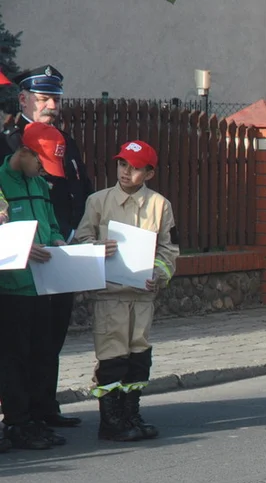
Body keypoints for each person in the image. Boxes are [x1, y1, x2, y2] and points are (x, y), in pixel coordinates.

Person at [3, 65, 94, 431]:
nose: (51, 105)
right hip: (21, 258)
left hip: (59, 251)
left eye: (55, 98)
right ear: (24, 99)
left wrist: (72, 234)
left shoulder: (64, 140)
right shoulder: (10, 141)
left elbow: (79, 190)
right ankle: (21, 414)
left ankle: (44, 406)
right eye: (43, 98)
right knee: (20, 342)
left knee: (51, 335)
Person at [74, 140, 178, 441]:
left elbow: (169, 249)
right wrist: (95, 248)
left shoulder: (160, 205)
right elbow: (80, 239)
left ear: (149, 173)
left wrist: (159, 275)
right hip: (110, 294)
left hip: (143, 294)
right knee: (112, 357)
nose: (125, 172)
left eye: (134, 168)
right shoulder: (98, 201)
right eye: (122, 164)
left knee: (138, 355)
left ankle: (131, 413)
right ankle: (110, 420)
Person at [0, 123, 68, 450]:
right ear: (23, 152)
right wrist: (22, 249)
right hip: (12, 289)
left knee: (43, 352)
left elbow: (51, 221)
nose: (43, 170)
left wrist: (55, 237)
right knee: (15, 358)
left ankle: (37, 417)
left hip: (43, 285)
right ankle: (17, 422)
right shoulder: (1, 184)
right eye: (40, 161)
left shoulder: (40, 184)